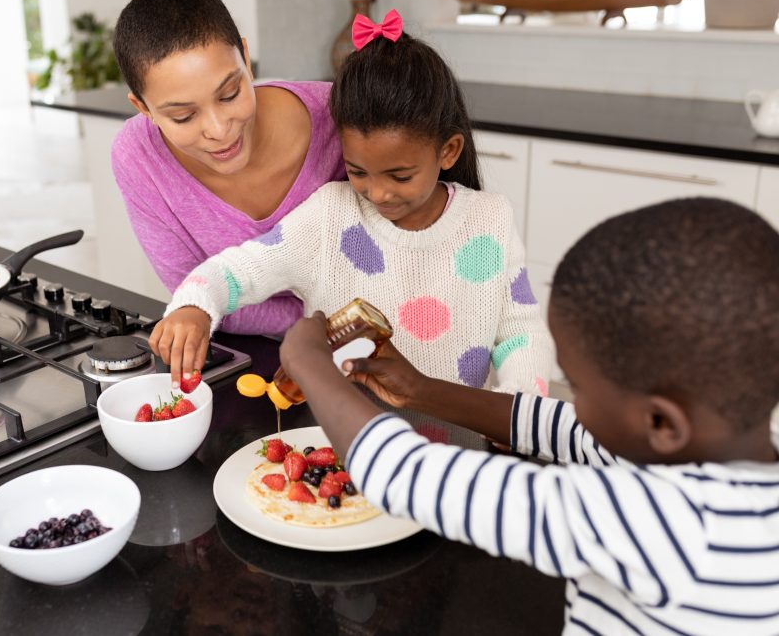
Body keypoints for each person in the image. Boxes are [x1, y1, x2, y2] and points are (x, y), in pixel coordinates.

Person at [280, 197, 779, 635]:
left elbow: (410, 476)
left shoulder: (663, 523)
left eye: (579, 387)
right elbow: (566, 429)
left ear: (662, 423)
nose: (574, 401)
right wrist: (424, 391)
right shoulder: (724, 460)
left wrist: (310, 364)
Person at [152, 10, 552, 446]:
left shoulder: (489, 220)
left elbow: (520, 333)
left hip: (449, 451)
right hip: (341, 446)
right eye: (358, 171)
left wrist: (519, 418)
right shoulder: (328, 217)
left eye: (400, 176)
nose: (378, 194)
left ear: (449, 150)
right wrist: (194, 305)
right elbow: (238, 270)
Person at [111, 0, 345, 336]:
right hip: (273, 355)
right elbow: (193, 295)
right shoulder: (138, 157)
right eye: (184, 117)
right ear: (143, 108)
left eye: (230, 93)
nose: (219, 130)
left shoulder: (341, 115)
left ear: (246, 59)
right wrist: (322, 326)